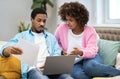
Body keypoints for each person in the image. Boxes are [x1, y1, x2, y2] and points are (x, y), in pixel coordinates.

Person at [0, 8, 73, 79]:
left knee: (67, 77)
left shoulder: (51, 37)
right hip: (33, 69)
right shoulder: (22, 36)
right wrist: (7, 50)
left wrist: (50, 64)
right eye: (39, 20)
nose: (42, 24)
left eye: (44, 21)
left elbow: (57, 52)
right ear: (31, 19)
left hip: (51, 69)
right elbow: (4, 49)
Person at [55, 2, 120, 79]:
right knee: (77, 75)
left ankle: (117, 72)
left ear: (79, 19)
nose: (67, 23)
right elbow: (54, 43)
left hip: (90, 58)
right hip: (73, 62)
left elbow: (92, 51)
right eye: (66, 19)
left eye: (71, 20)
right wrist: (61, 51)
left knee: (90, 67)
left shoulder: (90, 31)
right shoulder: (61, 28)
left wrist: (81, 52)